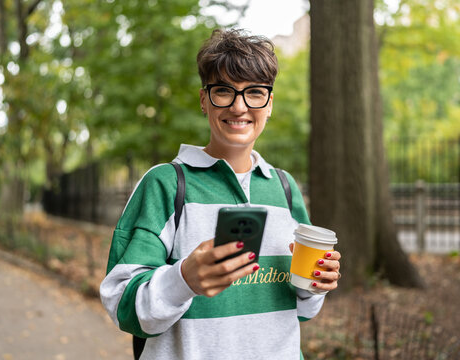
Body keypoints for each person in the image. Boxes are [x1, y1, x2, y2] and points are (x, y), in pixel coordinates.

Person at [100, 28, 341, 360]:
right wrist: (183, 279)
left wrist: (314, 285)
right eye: (224, 91)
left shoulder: (285, 189)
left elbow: (300, 311)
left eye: (254, 93)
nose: (239, 106)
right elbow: (122, 306)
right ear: (204, 100)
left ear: (269, 104)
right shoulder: (165, 185)